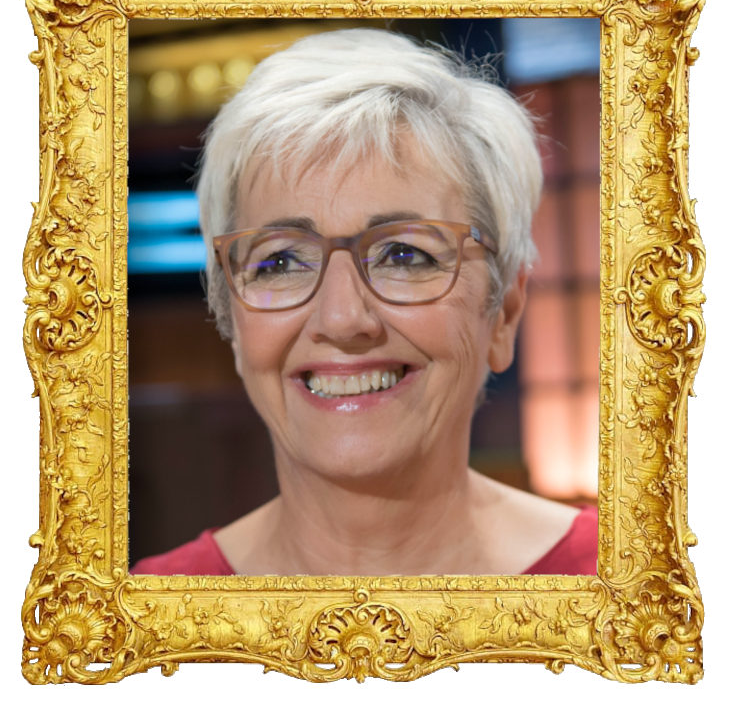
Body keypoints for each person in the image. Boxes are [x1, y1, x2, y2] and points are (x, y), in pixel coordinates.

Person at [131, 28, 597, 577]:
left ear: (505, 313)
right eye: (280, 261)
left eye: (404, 255)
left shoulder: (629, 588)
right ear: (230, 319)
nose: (343, 318)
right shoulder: (150, 613)